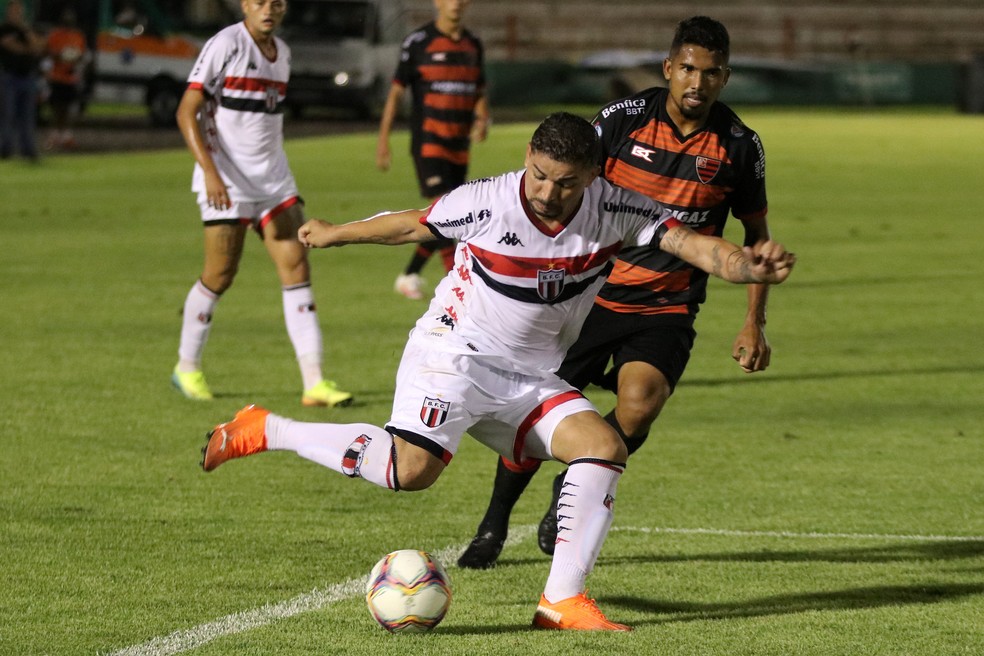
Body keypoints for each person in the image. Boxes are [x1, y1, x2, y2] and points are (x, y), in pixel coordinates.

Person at [200, 112, 795, 631]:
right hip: (454, 356)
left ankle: (561, 601)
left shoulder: (617, 207)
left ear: (592, 176)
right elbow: (413, 223)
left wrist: (750, 267)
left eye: (565, 183)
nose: (546, 192)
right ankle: (267, 429)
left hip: (531, 374)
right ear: (526, 160)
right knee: (411, 473)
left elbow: (697, 248)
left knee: (603, 447)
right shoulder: (489, 200)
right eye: (538, 174)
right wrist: (335, 234)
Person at [458, 16, 777, 569]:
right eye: (687, 70)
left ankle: (572, 484)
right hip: (589, 295)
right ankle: (493, 523)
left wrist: (755, 321)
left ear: (725, 78)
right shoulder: (622, 120)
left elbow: (756, 236)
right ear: (668, 69)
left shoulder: (740, 146)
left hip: (666, 304)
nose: (696, 84)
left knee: (639, 406)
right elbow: (562, 186)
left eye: (711, 73)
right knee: (536, 410)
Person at [171, 0, 352, 408]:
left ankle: (314, 382)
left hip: (274, 182)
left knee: (297, 268)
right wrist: (211, 172)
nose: (268, 9)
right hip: (227, 181)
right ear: (244, 5)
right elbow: (187, 111)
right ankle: (186, 367)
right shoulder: (226, 44)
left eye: (277, 2)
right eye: (259, 1)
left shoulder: (282, 53)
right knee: (220, 274)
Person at [375, 0, 490, 300]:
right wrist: (383, 139)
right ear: (437, 2)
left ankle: (410, 274)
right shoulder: (418, 42)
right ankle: (458, 286)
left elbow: (477, 88)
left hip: (459, 146)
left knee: (443, 215)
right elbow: (396, 92)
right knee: (448, 216)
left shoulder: (472, 44)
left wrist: (482, 116)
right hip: (429, 144)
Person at [0, 0, 45, 161]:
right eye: (13, 10)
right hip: (9, 76)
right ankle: (6, 149)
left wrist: (24, 31)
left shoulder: (27, 30)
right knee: (8, 115)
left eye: (18, 11)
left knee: (27, 116)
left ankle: (28, 149)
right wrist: (28, 49)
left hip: (27, 77)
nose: (16, 14)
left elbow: (38, 47)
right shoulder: (3, 29)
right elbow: (9, 46)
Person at [43, 6, 88, 151]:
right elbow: (48, 51)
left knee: (67, 107)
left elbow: (82, 55)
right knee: (56, 107)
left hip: (71, 77)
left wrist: (75, 59)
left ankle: (65, 135)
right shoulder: (55, 35)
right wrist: (61, 56)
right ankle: (55, 134)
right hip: (57, 76)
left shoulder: (78, 36)